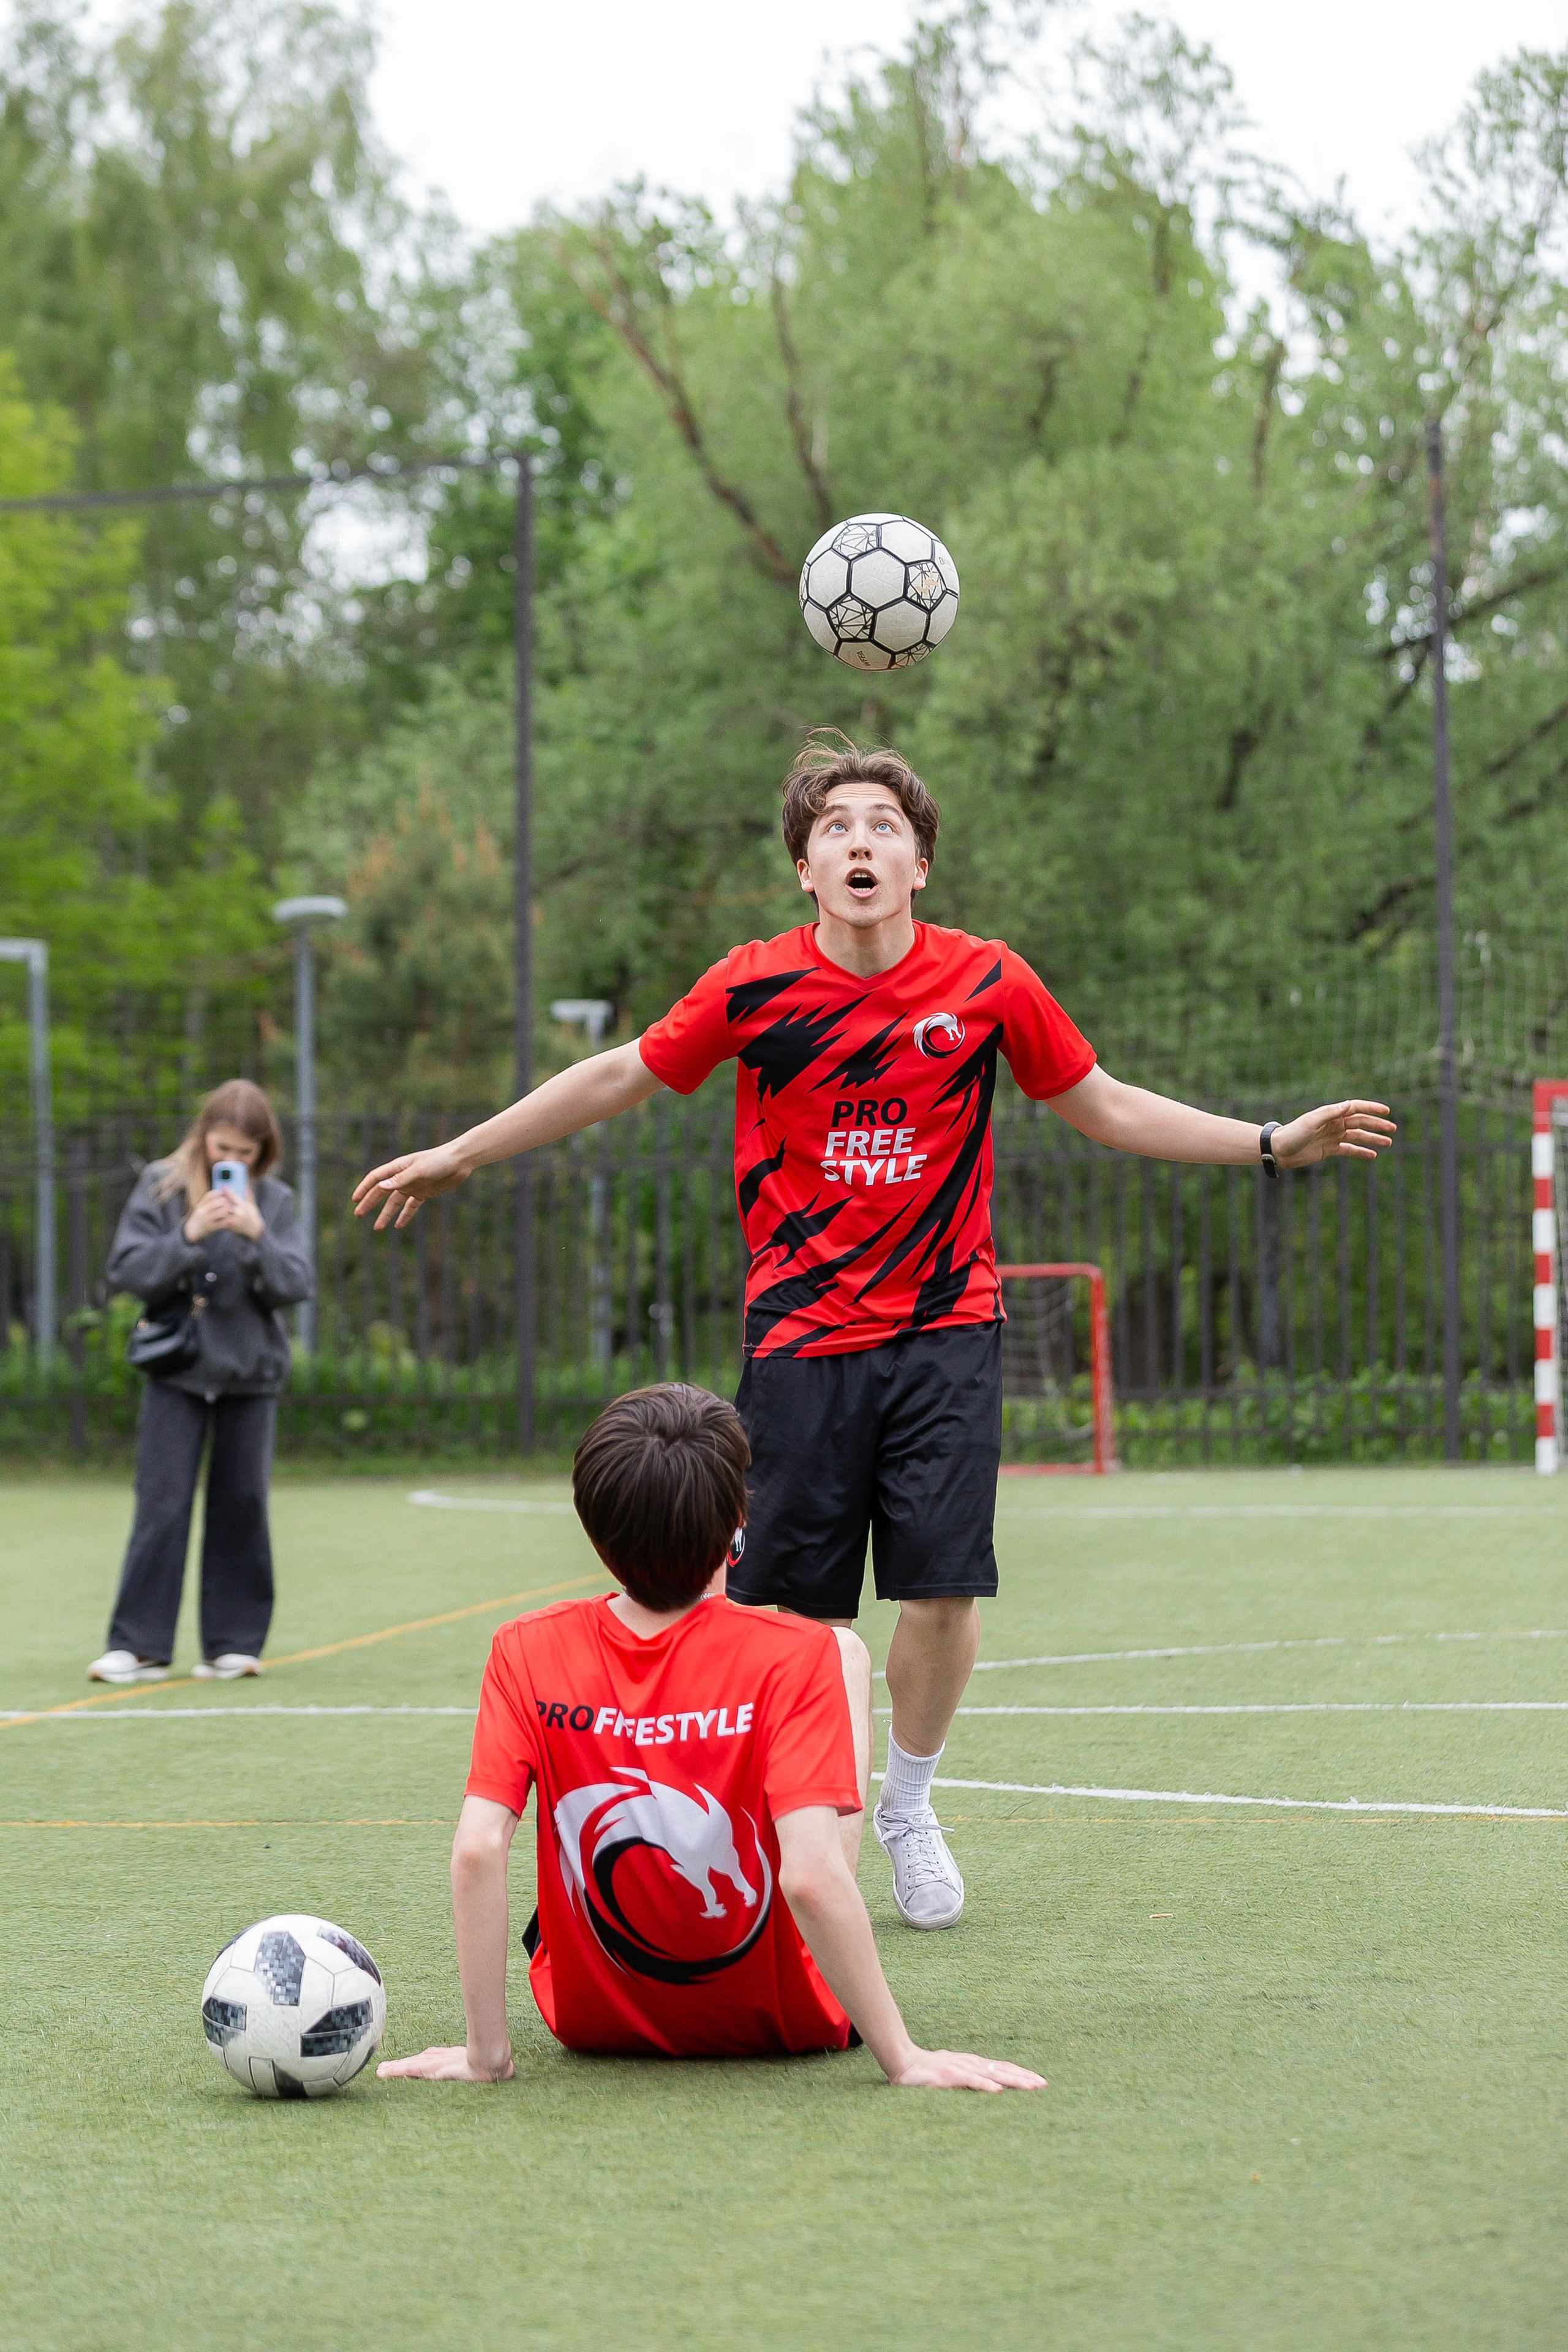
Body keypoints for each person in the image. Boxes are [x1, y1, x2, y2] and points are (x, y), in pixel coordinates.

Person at [353, 733, 1396, 1931]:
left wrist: (1267, 1141)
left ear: (918, 867)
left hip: (946, 1325)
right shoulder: (753, 986)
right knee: (793, 1620)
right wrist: (458, 1155)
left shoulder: (987, 983)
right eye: (835, 827)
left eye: (882, 827)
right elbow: (616, 1078)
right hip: (800, 1339)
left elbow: (1099, 1103)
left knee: (941, 1595)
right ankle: (781, 1826)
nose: (859, 840)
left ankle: (905, 1804)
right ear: (804, 867)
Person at [379, 1382, 1044, 2091]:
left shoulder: (524, 1647)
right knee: (844, 1655)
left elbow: (479, 1849)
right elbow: (812, 1876)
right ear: (737, 1524)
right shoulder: (798, 1652)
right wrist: (905, 2058)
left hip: (592, 2023)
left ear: (594, 1531)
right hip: (794, 2023)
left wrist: (485, 2058)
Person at [88, 1079, 312, 1684]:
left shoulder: (277, 1200)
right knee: (160, 1504)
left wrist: (257, 1236)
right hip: (178, 1373)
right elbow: (128, 1270)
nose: (231, 1163)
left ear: (263, 1150)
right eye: (222, 1148)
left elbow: (296, 1283)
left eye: (245, 1153)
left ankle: (233, 1644)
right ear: (203, 1138)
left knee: (243, 1504)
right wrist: (188, 1236)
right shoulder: (160, 1187)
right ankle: (138, 1646)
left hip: (251, 1374)